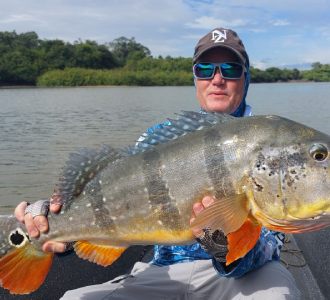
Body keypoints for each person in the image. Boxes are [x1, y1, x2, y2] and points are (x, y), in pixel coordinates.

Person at [15, 28, 301, 300]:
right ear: (195, 78)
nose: (217, 79)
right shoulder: (157, 139)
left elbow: (270, 243)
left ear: (245, 77)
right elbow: (109, 196)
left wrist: (220, 247)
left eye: (230, 69)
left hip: (243, 277)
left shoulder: (274, 141)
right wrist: (52, 217)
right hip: (163, 272)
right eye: (205, 69)